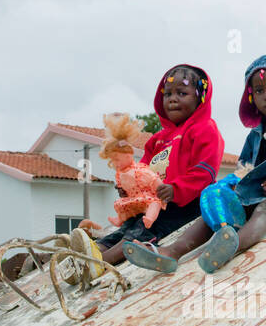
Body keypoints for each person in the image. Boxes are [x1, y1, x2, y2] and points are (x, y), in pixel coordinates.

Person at [123, 52, 266, 274]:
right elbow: (245, 167)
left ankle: (232, 245)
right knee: (212, 209)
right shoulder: (255, 134)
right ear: (251, 97)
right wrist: (234, 183)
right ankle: (171, 252)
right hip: (257, 191)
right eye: (259, 90)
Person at [93, 64, 225, 266]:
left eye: (182, 93)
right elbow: (141, 170)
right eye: (168, 94)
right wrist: (128, 188)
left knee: (142, 231)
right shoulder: (157, 140)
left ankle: (100, 264)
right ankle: (91, 253)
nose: (173, 99)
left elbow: (205, 172)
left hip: (185, 205)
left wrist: (176, 189)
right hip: (152, 205)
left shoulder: (204, 129)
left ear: (200, 97)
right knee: (125, 228)